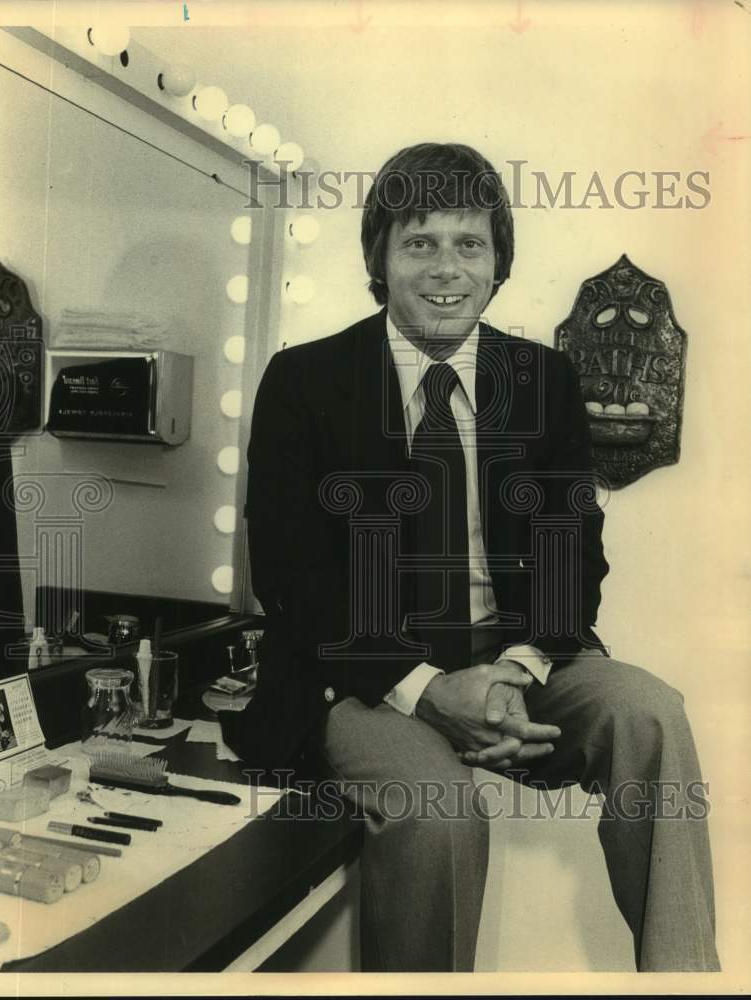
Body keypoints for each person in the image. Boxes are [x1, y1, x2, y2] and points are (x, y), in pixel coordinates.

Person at [232, 142, 719, 972]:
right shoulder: (304, 380)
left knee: (652, 715)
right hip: (365, 676)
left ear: (498, 265)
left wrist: (516, 672)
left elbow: (572, 556)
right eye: (419, 242)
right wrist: (427, 689)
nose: (445, 269)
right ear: (378, 259)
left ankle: (687, 981)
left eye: (469, 244)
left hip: (513, 662)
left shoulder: (544, 379)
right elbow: (290, 576)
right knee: (440, 810)